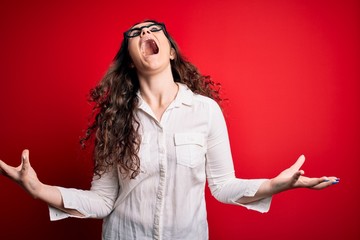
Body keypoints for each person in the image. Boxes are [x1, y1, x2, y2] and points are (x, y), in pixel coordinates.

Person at [0, 20, 339, 240]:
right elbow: (103, 200)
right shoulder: (115, 118)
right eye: (136, 33)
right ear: (131, 59)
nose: (145, 34)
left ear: (171, 51)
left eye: (153, 29)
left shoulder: (205, 111)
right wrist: (38, 189)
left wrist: (274, 186)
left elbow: (223, 187)